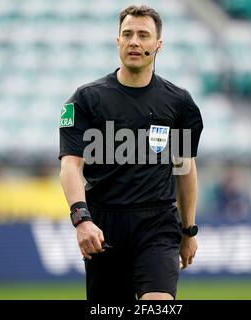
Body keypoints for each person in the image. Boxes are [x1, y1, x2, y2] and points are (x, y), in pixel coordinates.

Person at [59, 5, 203, 301]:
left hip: (158, 224)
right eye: (127, 34)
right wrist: (81, 220)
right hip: (104, 226)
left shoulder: (179, 103)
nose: (134, 41)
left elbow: (185, 168)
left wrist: (188, 231)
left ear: (158, 45)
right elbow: (71, 166)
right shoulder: (86, 99)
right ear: (117, 41)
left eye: (143, 35)